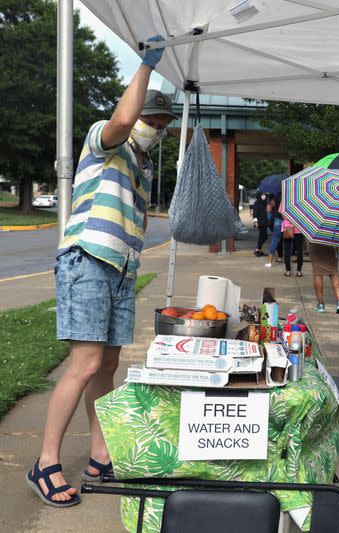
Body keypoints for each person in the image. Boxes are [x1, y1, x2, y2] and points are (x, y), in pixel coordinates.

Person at [25, 36, 172, 507]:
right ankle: (45, 462)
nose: (156, 127)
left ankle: (100, 455)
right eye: (153, 118)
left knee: (107, 365)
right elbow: (124, 119)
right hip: (88, 259)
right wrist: (146, 65)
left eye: (163, 123)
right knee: (85, 364)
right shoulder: (104, 139)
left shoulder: (143, 165)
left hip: (122, 269)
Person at [309, 242, 339, 313]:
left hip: (316, 244)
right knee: (333, 273)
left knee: (318, 273)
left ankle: (321, 305)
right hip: (330, 243)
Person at [264, 192, 284, 268]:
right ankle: (288, 262)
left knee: (275, 240)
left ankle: (269, 262)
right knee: (289, 240)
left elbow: (269, 208)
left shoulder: (278, 195)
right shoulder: (293, 194)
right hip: (289, 220)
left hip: (278, 219)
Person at [252, 192, 270, 257]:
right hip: (260, 222)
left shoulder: (264, 202)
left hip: (264, 222)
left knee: (262, 236)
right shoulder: (257, 203)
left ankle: (259, 250)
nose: (263, 196)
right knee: (264, 236)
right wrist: (255, 221)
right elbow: (255, 213)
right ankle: (258, 249)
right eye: (262, 194)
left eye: (264, 194)